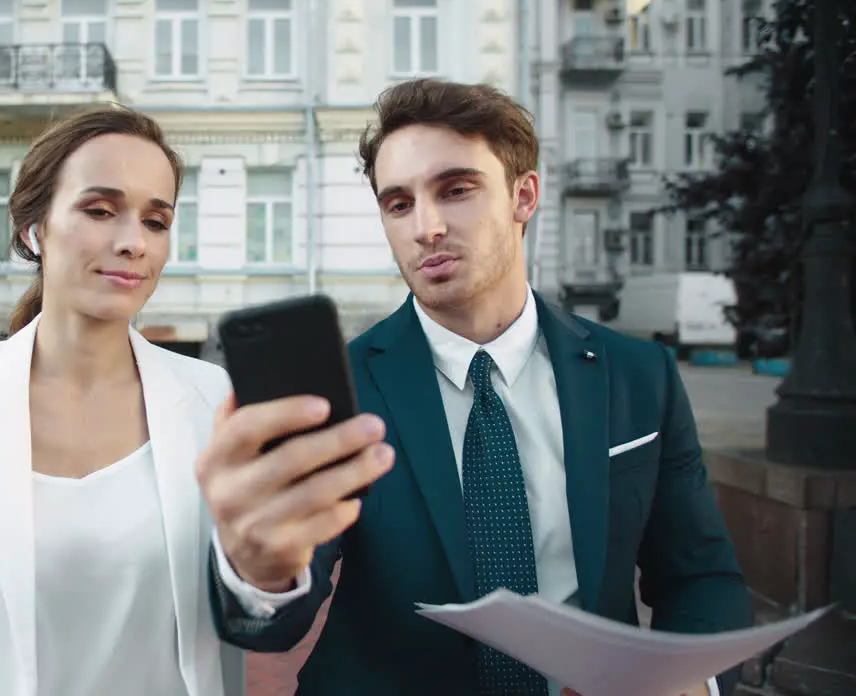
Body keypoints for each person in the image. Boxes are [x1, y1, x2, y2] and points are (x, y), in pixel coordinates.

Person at [196, 79, 753, 696]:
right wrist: (262, 570)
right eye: (398, 203)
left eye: (456, 190)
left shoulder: (638, 375)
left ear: (524, 195)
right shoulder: (341, 388)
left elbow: (700, 577)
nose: (426, 227)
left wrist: (690, 685)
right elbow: (275, 618)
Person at [0, 106, 244, 696]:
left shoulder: (211, 402)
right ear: (34, 228)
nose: (133, 242)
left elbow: (228, 628)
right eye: (100, 210)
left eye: (155, 220)